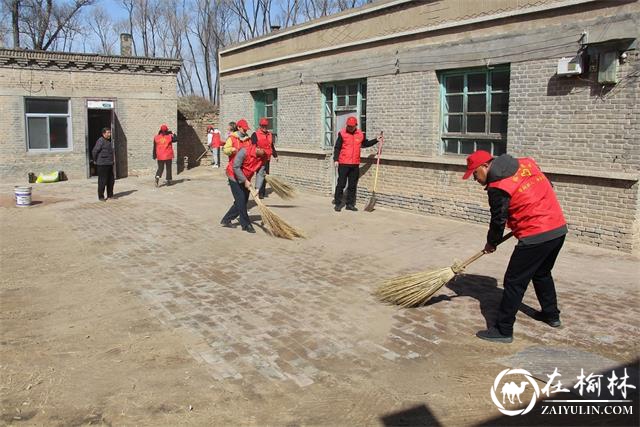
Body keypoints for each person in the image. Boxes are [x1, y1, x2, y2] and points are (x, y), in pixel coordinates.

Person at [463, 150, 568, 344]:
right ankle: (551, 315)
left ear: (485, 166)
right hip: (558, 228)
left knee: (513, 282)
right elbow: (549, 184)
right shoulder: (526, 163)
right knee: (542, 273)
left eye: (475, 174)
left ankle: (503, 330)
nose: (475, 179)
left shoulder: (498, 186)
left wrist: (491, 242)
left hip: (535, 235)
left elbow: (498, 220)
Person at [333, 116, 382, 211]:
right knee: (341, 184)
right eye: (348, 126)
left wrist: (376, 140)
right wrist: (336, 159)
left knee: (352, 185)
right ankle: (338, 203)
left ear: (356, 125)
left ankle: (350, 204)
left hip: (355, 164)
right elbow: (337, 147)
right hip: (343, 163)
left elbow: (365, 144)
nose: (350, 128)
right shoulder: (342, 134)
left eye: (352, 126)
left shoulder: (360, 134)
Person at [220, 142, 266, 233]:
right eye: (263, 151)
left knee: (242, 201)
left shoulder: (263, 156)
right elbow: (236, 167)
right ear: (258, 148)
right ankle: (246, 224)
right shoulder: (244, 151)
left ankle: (226, 220)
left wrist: (257, 188)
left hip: (246, 178)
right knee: (241, 199)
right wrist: (245, 181)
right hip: (233, 176)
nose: (265, 153)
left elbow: (261, 173)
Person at [251, 117, 277, 199]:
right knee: (260, 174)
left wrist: (275, 155)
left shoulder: (269, 134)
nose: (265, 128)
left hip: (267, 158)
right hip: (259, 159)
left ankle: (262, 192)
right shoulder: (255, 134)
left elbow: (271, 146)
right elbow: (252, 147)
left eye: (266, 126)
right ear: (260, 126)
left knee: (266, 175)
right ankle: (258, 192)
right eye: (263, 126)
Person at [92, 127, 115, 201]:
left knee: (111, 180)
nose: (109, 134)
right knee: (102, 181)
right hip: (102, 164)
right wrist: (95, 160)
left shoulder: (108, 142)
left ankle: (110, 195)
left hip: (109, 163)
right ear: (103, 134)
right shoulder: (100, 141)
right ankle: (101, 196)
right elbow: (94, 151)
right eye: (108, 132)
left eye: (110, 132)